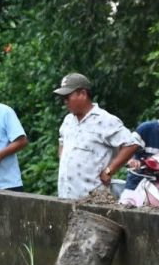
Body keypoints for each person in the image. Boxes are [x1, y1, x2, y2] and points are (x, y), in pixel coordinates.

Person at [53, 72, 142, 200]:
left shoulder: (104, 120)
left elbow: (131, 144)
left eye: (67, 97)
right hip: (65, 197)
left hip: (93, 200)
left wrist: (109, 171)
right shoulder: (68, 120)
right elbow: (62, 142)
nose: (65, 101)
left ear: (83, 94)